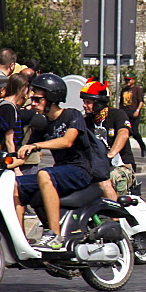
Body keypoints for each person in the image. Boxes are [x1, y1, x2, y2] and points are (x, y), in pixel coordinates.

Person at [14, 73, 94, 250]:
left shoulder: (72, 115)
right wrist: (0, 163)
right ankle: (21, 240)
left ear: (51, 98)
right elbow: (23, 156)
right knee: (15, 184)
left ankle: (55, 235)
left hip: (79, 170)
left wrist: (36, 145)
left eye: (37, 99)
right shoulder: (42, 124)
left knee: (43, 174)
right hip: (61, 172)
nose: (33, 103)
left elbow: (67, 141)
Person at [80, 80, 136, 199]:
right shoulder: (85, 122)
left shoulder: (117, 114)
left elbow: (123, 134)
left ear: (99, 103)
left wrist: (110, 155)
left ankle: (114, 216)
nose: (84, 105)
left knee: (105, 179)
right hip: (96, 168)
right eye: (84, 102)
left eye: (88, 102)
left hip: (120, 167)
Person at [119, 75, 146, 157]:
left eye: (129, 80)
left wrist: (137, 110)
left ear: (133, 80)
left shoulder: (137, 89)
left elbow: (141, 101)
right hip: (125, 112)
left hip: (134, 112)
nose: (127, 82)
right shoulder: (124, 90)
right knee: (124, 131)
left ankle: (142, 146)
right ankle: (125, 151)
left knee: (134, 132)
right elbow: (121, 102)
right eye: (126, 80)